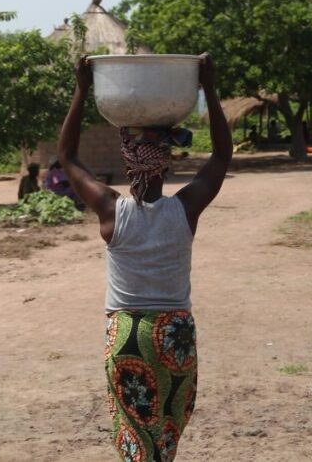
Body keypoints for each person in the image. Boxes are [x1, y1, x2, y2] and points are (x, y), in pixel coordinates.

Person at [58, 53, 232, 462]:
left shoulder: (111, 212)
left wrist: (81, 89)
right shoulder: (184, 210)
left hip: (127, 333)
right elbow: (222, 156)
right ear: (167, 162)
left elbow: (68, 157)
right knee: (164, 438)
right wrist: (209, 85)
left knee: (134, 438)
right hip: (174, 332)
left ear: (127, 159)